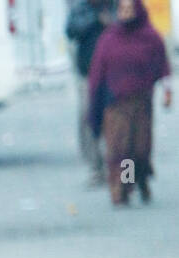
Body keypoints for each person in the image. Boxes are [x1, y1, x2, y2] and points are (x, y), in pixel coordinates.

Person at [87, 0, 173, 206]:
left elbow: (163, 64)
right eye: (122, 10)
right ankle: (123, 189)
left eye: (129, 10)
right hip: (116, 104)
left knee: (140, 149)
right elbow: (97, 73)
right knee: (122, 149)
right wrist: (94, 105)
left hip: (141, 102)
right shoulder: (109, 39)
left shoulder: (150, 37)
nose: (125, 14)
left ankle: (140, 178)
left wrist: (167, 91)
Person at [66, 0, 112, 184]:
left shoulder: (116, 6)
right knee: (89, 116)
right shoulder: (82, 8)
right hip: (87, 73)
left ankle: (125, 176)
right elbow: (71, 31)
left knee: (120, 124)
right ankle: (96, 167)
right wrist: (94, 20)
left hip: (115, 74)